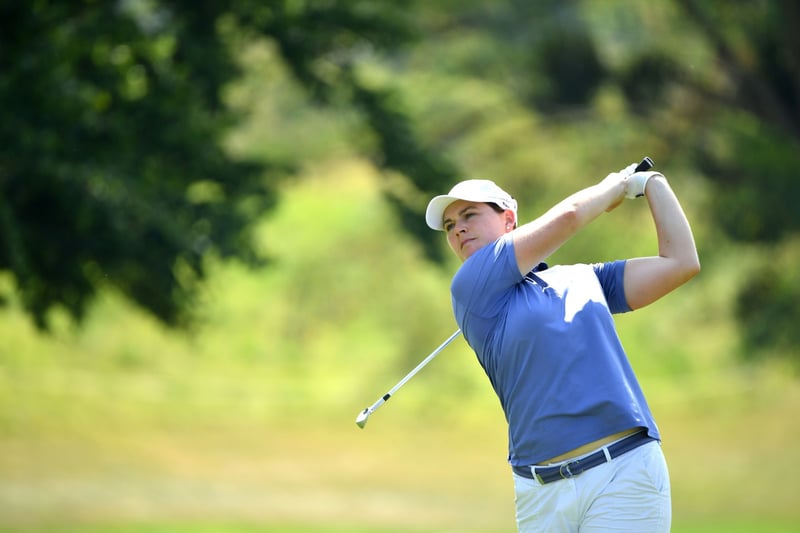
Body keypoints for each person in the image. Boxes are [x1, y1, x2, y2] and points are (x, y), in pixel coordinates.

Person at [424, 162, 700, 532]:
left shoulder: (584, 277)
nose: (458, 227)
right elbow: (570, 216)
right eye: (449, 225)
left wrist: (652, 182)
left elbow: (680, 263)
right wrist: (615, 185)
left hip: (622, 472)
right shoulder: (469, 287)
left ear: (509, 220)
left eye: (469, 214)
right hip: (539, 493)